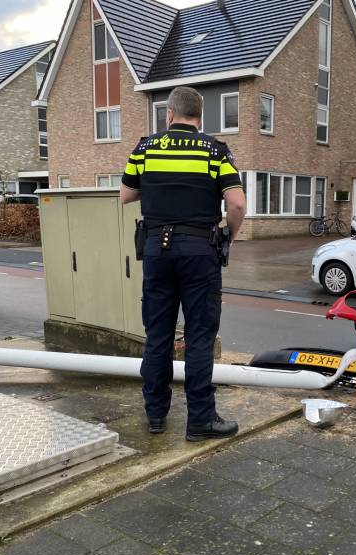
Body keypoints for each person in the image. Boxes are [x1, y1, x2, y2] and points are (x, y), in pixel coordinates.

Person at [120, 86, 247, 442]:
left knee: (157, 335)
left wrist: (161, 188)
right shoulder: (215, 151)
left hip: (157, 251)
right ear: (199, 118)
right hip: (200, 252)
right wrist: (230, 237)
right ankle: (200, 422)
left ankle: (156, 416)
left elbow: (126, 195)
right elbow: (236, 205)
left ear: (169, 115)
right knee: (199, 337)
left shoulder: (145, 148)